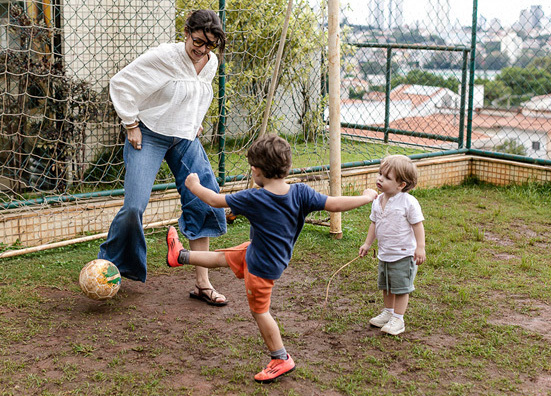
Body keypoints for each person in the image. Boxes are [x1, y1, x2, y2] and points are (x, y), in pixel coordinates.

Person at [163, 135, 378, 382]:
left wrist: (192, 185)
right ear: (287, 167)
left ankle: (281, 358)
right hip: (265, 252)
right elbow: (334, 204)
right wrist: (365, 197)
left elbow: (214, 200)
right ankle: (180, 256)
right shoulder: (300, 192)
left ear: (256, 170)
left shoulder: (254, 197)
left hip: (262, 267)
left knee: (261, 312)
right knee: (225, 257)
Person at [99, 10, 231, 306]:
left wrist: (195, 121)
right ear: (186, 32)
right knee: (134, 206)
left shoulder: (210, 62)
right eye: (197, 41)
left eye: (209, 45)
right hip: (150, 135)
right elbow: (121, 83)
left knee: (204, 199)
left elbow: (202, 94)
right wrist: (131, 124)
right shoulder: (165, 56)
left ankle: (203, 283)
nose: (201, 50)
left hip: (185, 139)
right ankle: (112, 268)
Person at [358, 155, 427, 336]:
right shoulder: (378, 200)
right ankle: (388, 312)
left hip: (403, 254)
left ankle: (398, 318)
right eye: (380, 173)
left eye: (387, 177)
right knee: (387, 285)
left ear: (401, 185)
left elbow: (417, 225)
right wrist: (367, 243)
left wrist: (420, 247)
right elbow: (374, 223)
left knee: (401, 287)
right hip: (385, 252)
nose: (380, 178)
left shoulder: (408, 202)